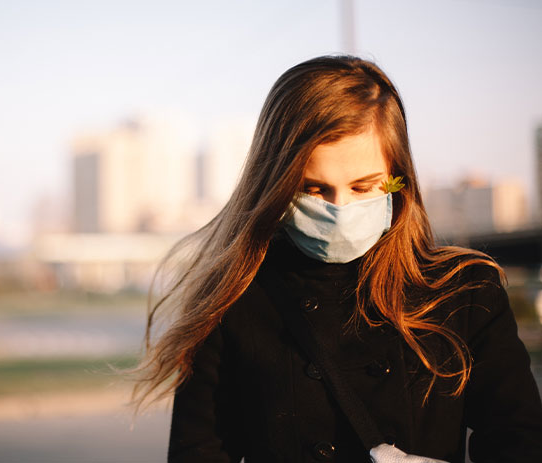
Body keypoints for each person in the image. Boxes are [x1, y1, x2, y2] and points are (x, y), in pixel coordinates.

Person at [128, 55, 542, 462]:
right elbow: (198, 451)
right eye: (313, 189)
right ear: (275, 184)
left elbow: (519, 439)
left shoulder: (463, 290)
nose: (339, 208)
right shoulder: (233, 298)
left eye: (363, 188)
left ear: (399, 181)